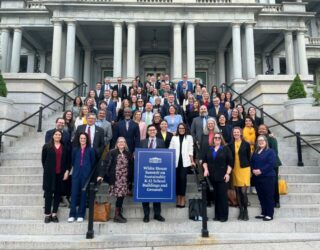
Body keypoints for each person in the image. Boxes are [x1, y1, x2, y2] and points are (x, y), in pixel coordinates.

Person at [97, 137, 131, 223]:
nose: (121, 143)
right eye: (119, 142)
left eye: (123, 142)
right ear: (117, 143)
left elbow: (131, 166)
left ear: (125, 143)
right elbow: (104, 164)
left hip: (124, 178)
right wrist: (101, 175)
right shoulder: (112, 152)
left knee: (121, 196)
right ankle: (117, 215)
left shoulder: (128, 153)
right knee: (119, 196)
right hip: (116, 178)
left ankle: (118, 214)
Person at [202, 133, 233, 222]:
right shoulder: (209, 149)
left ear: (221, 139)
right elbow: (204, 161)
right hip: (212, 176)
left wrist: (227, 174)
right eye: (215, 138)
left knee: (222, 196)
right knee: (216, 197)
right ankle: (217, 216)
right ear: (213, 139)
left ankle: (224, 216)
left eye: (219, 138)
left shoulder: (226, 149)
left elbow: (230, 163)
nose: (217, 139)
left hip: (223, 176)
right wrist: (206, 169)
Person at [42, 130, 70, 223]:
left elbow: (67, 161)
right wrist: (48, 170)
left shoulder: (64, 147)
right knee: (48, 194)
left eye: (59, 135)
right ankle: (47, 214)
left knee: (58, 194)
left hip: (60, 174)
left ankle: (54, 214)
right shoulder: (46, 147)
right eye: (56, 134)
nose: (58, 136)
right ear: (53, 136)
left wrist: (67, 171)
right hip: (49, 174)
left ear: (61, 136)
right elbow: (43, 161)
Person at [140, 125, 166, 223]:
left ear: (156, 131)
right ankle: (146, 215)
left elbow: (164, 155)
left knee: (157, 193)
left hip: (158, 171)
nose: (152, 131)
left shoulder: (161, 142)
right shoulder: (142, 142)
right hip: (145, 171)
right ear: (147, 132)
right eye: (150, 130)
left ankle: (157, 214)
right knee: (145, 193)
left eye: (153, 130)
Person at [68, 133, 95, 223]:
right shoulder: (75, 150)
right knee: (74, 193)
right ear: (79, 139)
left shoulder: (91, 150)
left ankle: (81, 214)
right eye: (81, 138)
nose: (82, 140)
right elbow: (72, 162)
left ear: (87, 140)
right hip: (76, 174)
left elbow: (93, 163)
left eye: (84, 138)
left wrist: (90, 176)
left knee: (83, 194)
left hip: (85, 175)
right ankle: (72, 214)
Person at [251, 135, 276, 221]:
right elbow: (252, 162)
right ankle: (264, 212)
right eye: (259, 140)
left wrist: (261, 170)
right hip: (257, 177)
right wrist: (253, 170)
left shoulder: (270, 151)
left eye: (262, 140)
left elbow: (271, 164)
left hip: (268, 177)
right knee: (261, 196)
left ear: (266, 141)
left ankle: (269, 214)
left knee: (268, 195)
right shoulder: (256, 152)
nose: (260, 142)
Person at [169, 123, 195, 208]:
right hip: (175, 162)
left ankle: (183, 199)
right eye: (180, 128)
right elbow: (170, 149)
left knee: (183, 180)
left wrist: (192, 161)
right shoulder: (174, 137)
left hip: (185, 162)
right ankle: (178, 199)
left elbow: (191, 150)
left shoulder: (189, 137)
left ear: (185, 129)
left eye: (183, 128)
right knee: (176, 180)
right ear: (177, 129)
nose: (181, 129)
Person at [228, 127, 251, 221]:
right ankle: (241, 211)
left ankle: (246, 211)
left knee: (243, 192)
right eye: (234, 132)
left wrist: (251, 170)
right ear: (233, 134)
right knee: (237, 190)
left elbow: (249, 157)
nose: (236, 133)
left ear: (241, 133)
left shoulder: (246, 144)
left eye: (238, 132)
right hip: (235, 169)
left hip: (245, 169)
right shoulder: (230, 145)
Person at [258, 124, 282, 208]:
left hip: (273, 164)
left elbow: (274, 152)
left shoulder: (272, 139)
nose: (261, 130)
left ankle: (276, 201)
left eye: (263, 129)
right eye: (260, 129)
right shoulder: (259, 139)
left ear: (267, 130)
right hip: (263, 165)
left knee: (274, 183)